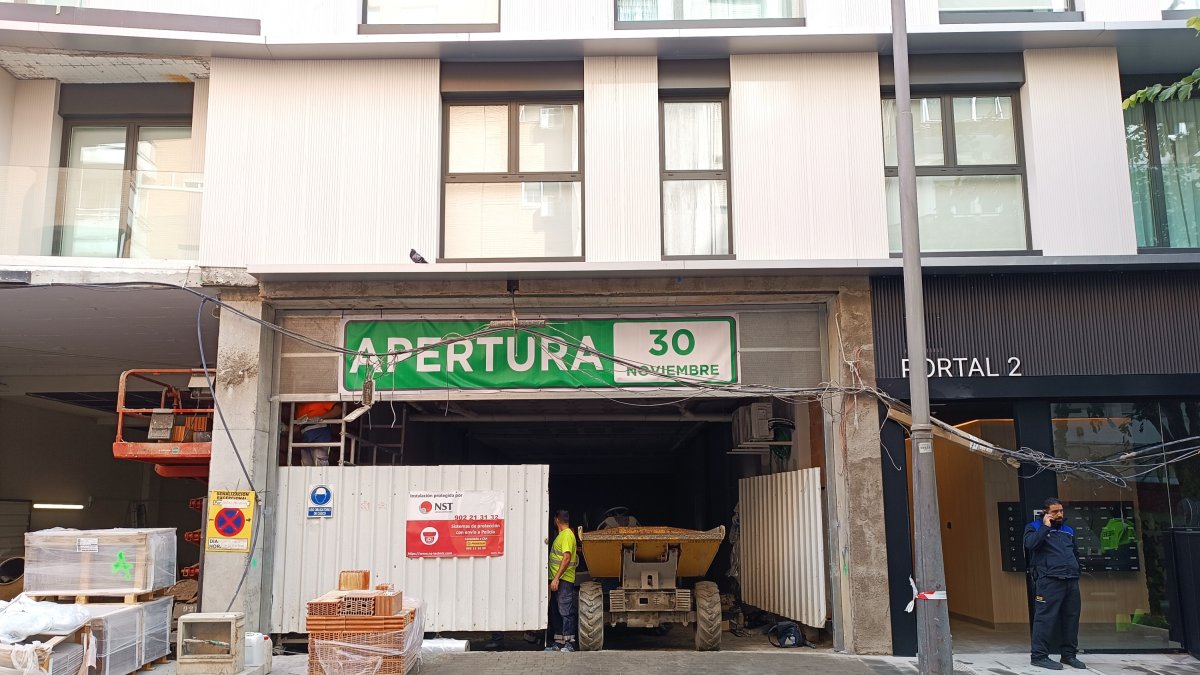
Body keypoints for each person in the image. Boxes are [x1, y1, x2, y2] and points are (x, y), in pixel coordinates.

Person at [1023, 497, 1085, 671]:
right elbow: (1031, 545)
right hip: (1049, 581)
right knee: (1045, 618)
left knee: (1071, 618)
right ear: (1045, 513)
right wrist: (1045, 527)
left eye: (1061, 511)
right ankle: (1039, 656)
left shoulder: (1068, 531)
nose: (1059, 514)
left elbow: (1075, 552)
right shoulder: (1034, 528)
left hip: (1071, 580)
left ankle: (1069, 655)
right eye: (1054, 511)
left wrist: (1076, 570)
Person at [546, 509, 578, 652]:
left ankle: (570, 643)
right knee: (556, 611)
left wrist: (557, 578)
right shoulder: (562, 535)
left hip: (563, 580)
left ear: (556, 520)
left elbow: (566, 558)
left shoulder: (566, 535)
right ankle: (559, 642)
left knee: (565, 610)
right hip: (557, 580)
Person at [295, 401, 342, 466]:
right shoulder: (299, 407)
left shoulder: (319, 400)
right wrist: (285, 429)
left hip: (320, 436)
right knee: (306, 465)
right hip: (306, 439)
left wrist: (321, 417)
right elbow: (298, 427)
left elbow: (338, 410)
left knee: (320, 462)